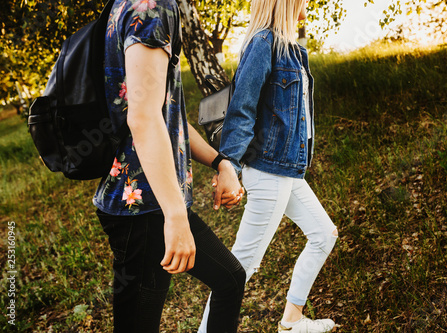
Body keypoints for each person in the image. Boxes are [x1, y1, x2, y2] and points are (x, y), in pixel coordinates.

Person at [93, 0, 246, 332]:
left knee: (230, 279)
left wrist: (220, 163)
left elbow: (167, 116)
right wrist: (175, 216)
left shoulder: (129, 5)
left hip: (150, 200)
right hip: (143, 208)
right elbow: (144, 119)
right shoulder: (154, 6)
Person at [199, 0, 339, 332]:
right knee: (240, 267)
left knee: (323, 234)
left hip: (287, 170)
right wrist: (228, 165)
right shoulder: (264, 43)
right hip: (268, 171)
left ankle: (292, 321)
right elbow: (241, 109)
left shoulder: (293, 50)